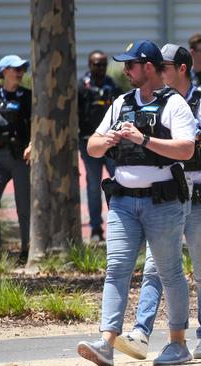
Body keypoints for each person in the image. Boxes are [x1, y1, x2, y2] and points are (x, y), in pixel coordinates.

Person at [113, 44, 201, 360]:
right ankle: (141, 333)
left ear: (181, 69)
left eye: (164, 66)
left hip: (199, 197)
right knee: (154, 268)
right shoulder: (155, 102)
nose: (158, 70)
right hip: (166, 196)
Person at [75, 40, 196, 366]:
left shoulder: (174, 104)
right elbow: (93, 147)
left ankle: (177, 344)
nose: (125, 70)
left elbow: (186, 149)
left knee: (169, 273)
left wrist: (142, 138)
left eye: (131, 64)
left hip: (163, 203)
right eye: (125, 64)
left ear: (149, 67)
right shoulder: (120, 103)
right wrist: (110, 138)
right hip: (123, 203)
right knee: (116, 269)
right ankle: (106, 343)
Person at [0, 54, 32, 265]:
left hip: (21, 156)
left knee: (24, 207)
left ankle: (26, 249)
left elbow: (35, 124)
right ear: (4, 72)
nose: (20, 72)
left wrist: (32, 145)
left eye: (22, 69)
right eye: (16, 69)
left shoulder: (27, 96)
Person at [77, 50, 122, 242]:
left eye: (104, 64)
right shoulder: (80, 87)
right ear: (89, 65)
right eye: (97, 64)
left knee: (119, 182)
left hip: (112, 144)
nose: (101, 67)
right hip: (89, 144)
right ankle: (96, 228)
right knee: (94, 187)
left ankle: (119, 226)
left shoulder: (113, 86)